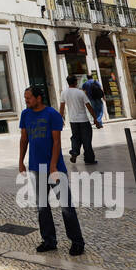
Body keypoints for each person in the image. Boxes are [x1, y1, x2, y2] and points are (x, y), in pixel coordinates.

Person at [18, 85, 84, 256]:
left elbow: (57, 142)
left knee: (66, 207)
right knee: (42, 206)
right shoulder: (25, 114)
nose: (26, 101)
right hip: (36, 167)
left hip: (55, 168)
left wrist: (53, 165)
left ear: (39, 98)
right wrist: (21, 162)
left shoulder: (52, 114)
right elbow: (24, 139)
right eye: (25, 98)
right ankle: (49, 240)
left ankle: (77, 242)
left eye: (29, 98)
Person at [61, 76, 99, 165]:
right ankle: (89, 159)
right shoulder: (80, 93)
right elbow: (88, 106)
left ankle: (74, 151)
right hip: (83, 120)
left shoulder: (64, 93)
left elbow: (62, 107)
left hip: (73, 121)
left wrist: (61, 119)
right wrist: (95, 119)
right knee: (87, 140)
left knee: (75, 137)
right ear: (76, 82)